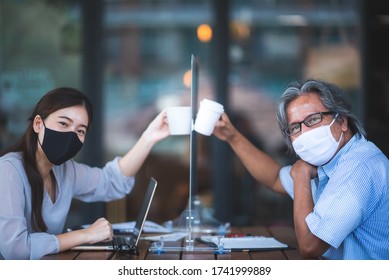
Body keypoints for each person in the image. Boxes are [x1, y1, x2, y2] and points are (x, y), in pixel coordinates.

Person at [213, 79, 389, 260]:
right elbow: (274, 178)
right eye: (295, 127)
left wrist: (300, 176)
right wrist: (232, 137)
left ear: (342, 121)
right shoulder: (329, 163)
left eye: (313, 119)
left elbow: (310, 245)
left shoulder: (357, 168)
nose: (305, 132)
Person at [0, 87, 170, 260]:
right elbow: (15, 250)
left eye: (80, 131)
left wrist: (149, 137)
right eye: (64, 124)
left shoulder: (66, 170)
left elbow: (111, 182)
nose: (71, 135)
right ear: (38, 124)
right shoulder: (9, 170)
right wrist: (86, 235)